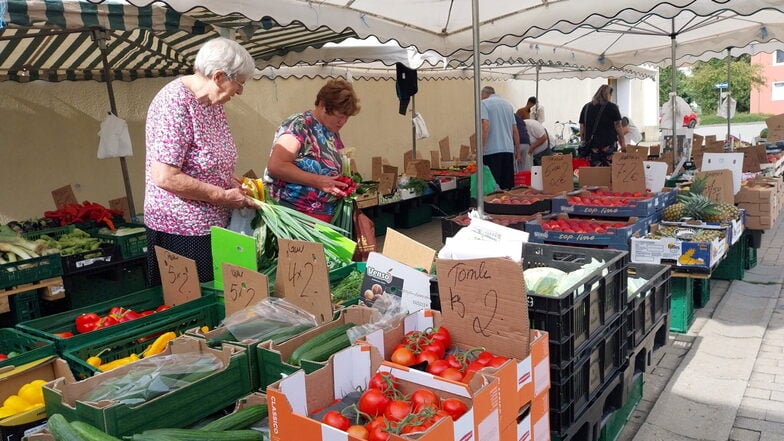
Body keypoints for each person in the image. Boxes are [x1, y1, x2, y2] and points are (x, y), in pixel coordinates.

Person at [144, 37, 255, 285]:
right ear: (218, 77)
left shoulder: (212, 103)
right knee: (192, 309)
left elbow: (209, 163)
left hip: (212, 225)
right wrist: (222, 196)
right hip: (182, 230)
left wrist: (232, 185)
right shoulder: (175, 103)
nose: (240, 91)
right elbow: (165, 176)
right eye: (239, 84)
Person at [264, 79, 361, 222]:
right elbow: (276, 165)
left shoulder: (331, 131)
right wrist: (318, 181)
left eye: (346, 118)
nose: (343, 122)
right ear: (323, 106)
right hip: (297, 218)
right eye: (339, 116)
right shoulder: (299, 125)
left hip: (326, 216)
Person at [480, 86, 520, 190]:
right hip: (508, 150)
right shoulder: (508, 105)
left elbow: (485, 126)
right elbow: (515, 130)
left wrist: (481, 147)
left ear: (484, 95)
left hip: (491, 150)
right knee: (507, 186)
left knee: (493, 187)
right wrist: (518, 151)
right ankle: (507, 206)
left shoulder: (484, 103)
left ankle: (494, 206)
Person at [578, 84, 626, 166]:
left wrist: (583, 141)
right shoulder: (612, 107)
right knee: (609, 171)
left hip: (591, 146)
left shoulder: (586, 107)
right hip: (608, 146)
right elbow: (618, 127)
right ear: (608, 95)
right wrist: (623, 143)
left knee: (594, 171)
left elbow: (582, 127)